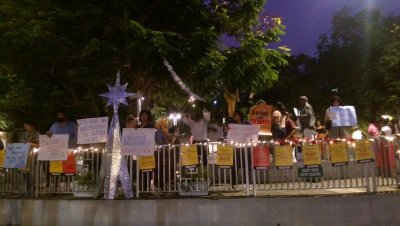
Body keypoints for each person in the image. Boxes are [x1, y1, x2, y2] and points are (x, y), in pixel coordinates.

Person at [229, 109, 252, 188]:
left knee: (247, 166)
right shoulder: (232, 125)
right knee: (235, 166)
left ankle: (247, 184)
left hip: (246, 148)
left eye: (236, 114)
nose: (234, 116)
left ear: (240, 116)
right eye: (233, 115)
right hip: (237, 148)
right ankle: (233, 183)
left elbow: (252, 131)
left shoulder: (247, 123)